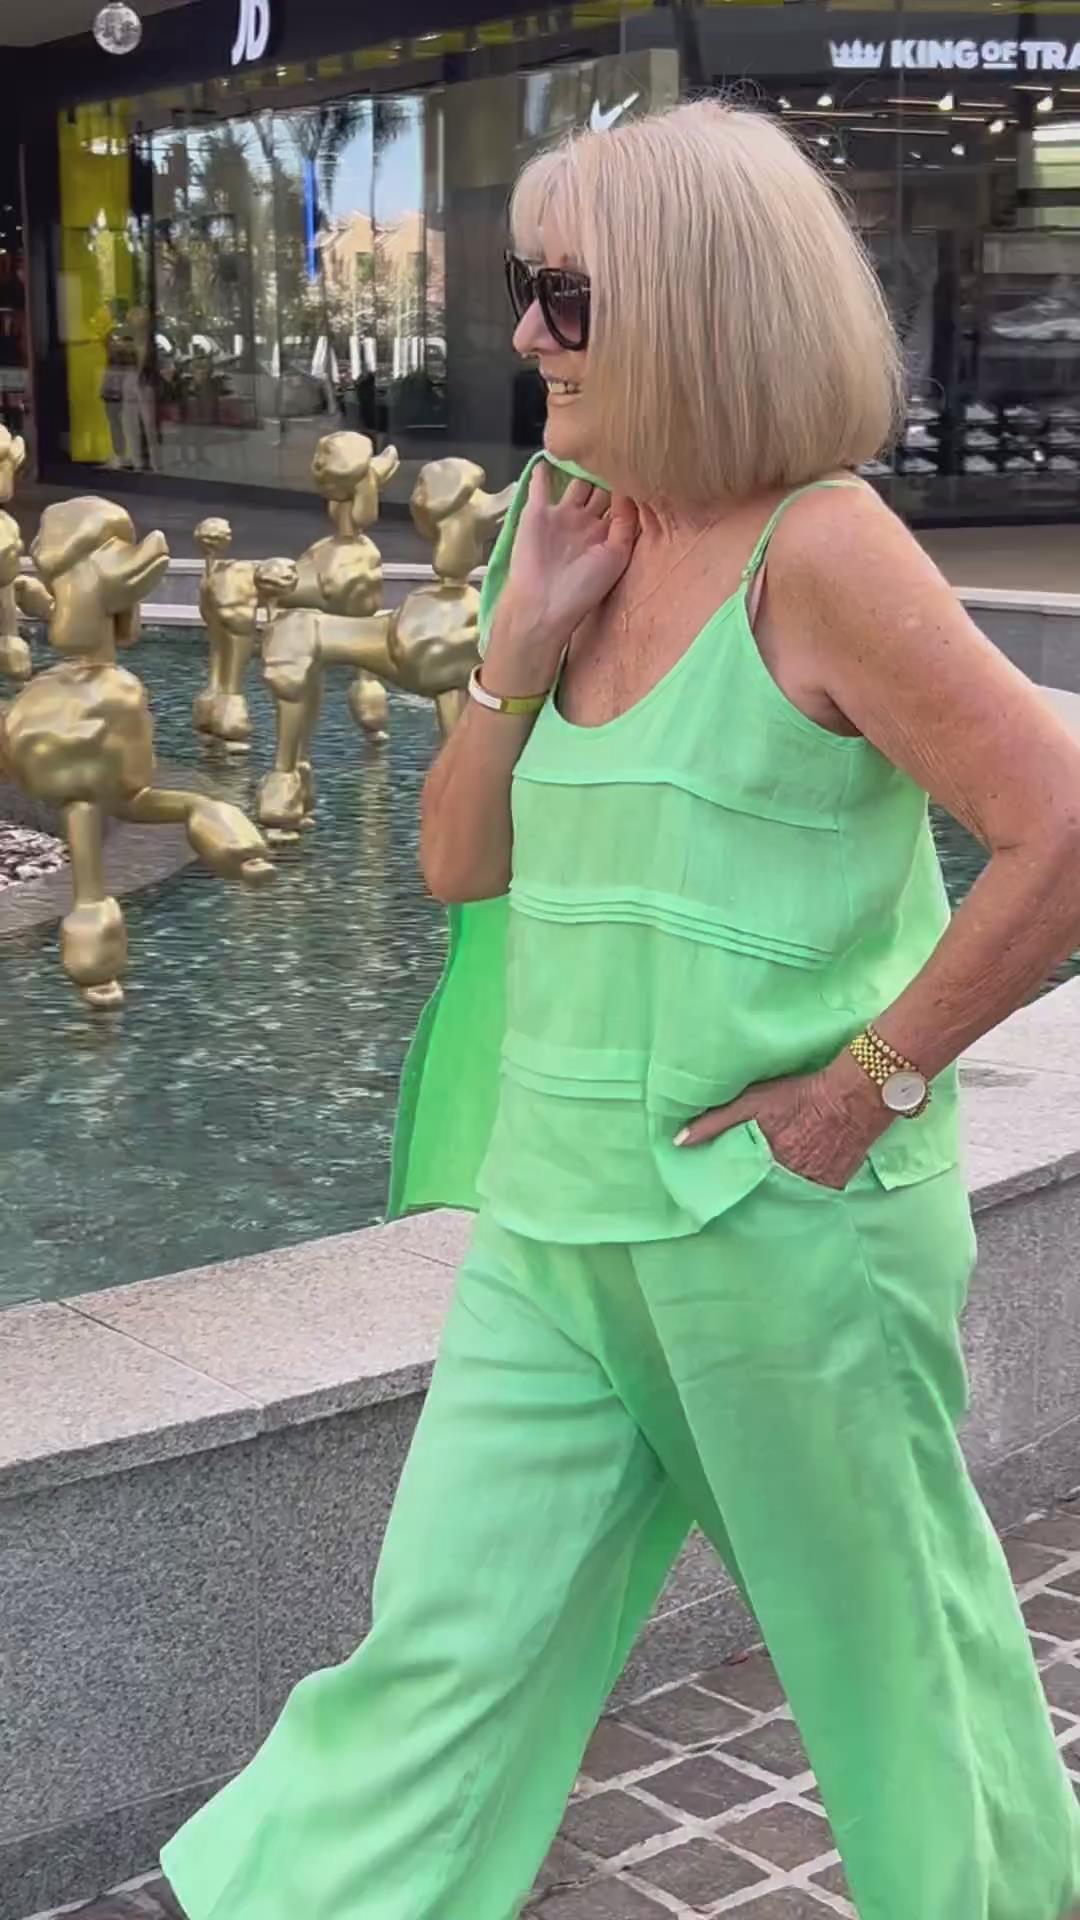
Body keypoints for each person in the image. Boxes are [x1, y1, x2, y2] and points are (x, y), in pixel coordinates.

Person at [160, 101, 1080, 1920]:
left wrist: (866, 1087)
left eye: (565, 297)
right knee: (435, 1658)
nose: (524, 334)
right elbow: (457, 864)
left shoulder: (825, 549)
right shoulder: (556, 524)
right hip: (554, 1220)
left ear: (697, 307)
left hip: (781, 1234)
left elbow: (1058, 830)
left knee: (892, 1657)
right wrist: (516, 652)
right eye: (527, 288)